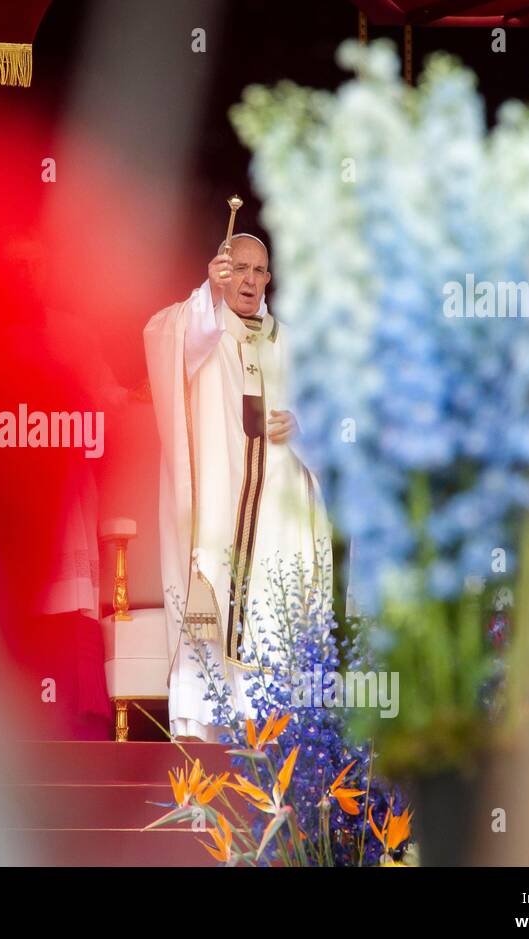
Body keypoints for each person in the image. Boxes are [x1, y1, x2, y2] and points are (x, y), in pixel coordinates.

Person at [143, 233, 332, 742]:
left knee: (274, 607)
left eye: (258, 271)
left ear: (270, 279)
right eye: (238, 269)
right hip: (217, 503)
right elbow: (169, 338)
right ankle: (206, 726)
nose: (249, 280)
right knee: (213, 594)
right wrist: (207, 290)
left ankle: (273, 732)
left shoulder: (287, 344)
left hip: (275, 508)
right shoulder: (201, 326)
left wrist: (303, 425)